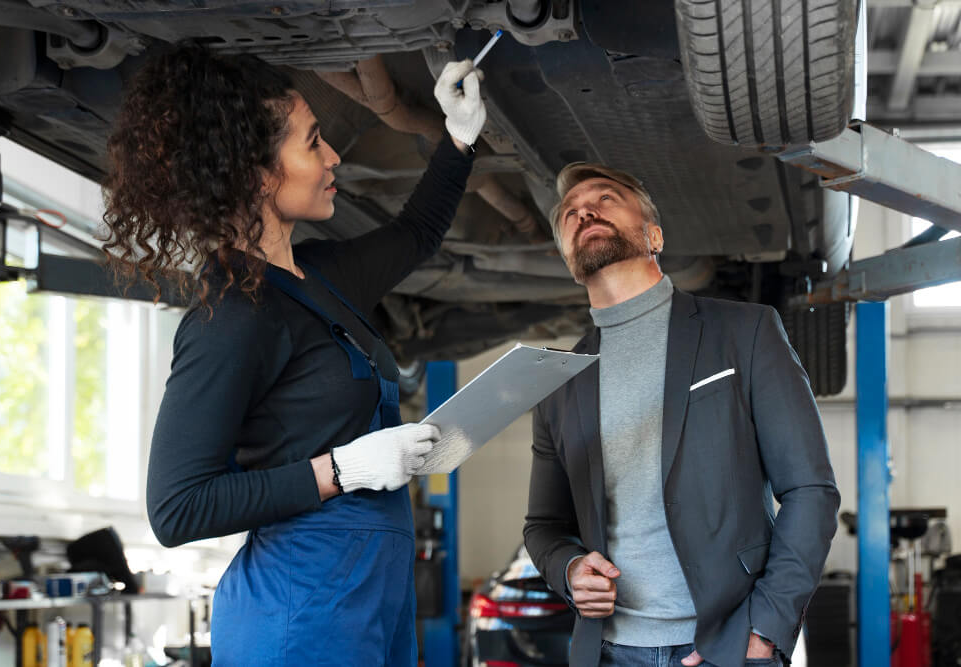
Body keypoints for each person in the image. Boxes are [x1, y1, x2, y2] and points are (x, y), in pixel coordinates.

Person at [101, 43, 486, 665]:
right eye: (312, 144)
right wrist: (345, 469)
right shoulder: (228, 317)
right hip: (299, 613)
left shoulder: (319, 277)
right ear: (256, 175)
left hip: (375, 597)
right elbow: (177, 508)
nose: (333, 156)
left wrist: (459, 138)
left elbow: (415, 234)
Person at [522, 162, 840, 667]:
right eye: (569, 214)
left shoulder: (745, 331)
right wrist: (570, 568)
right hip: (609, 652)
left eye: (605, 199)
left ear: (654, 235)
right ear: (566, 256)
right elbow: (543, 524)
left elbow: (810, 491)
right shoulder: (558, 383)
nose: (584, 212)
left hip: (727, 646)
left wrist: (764, 629)